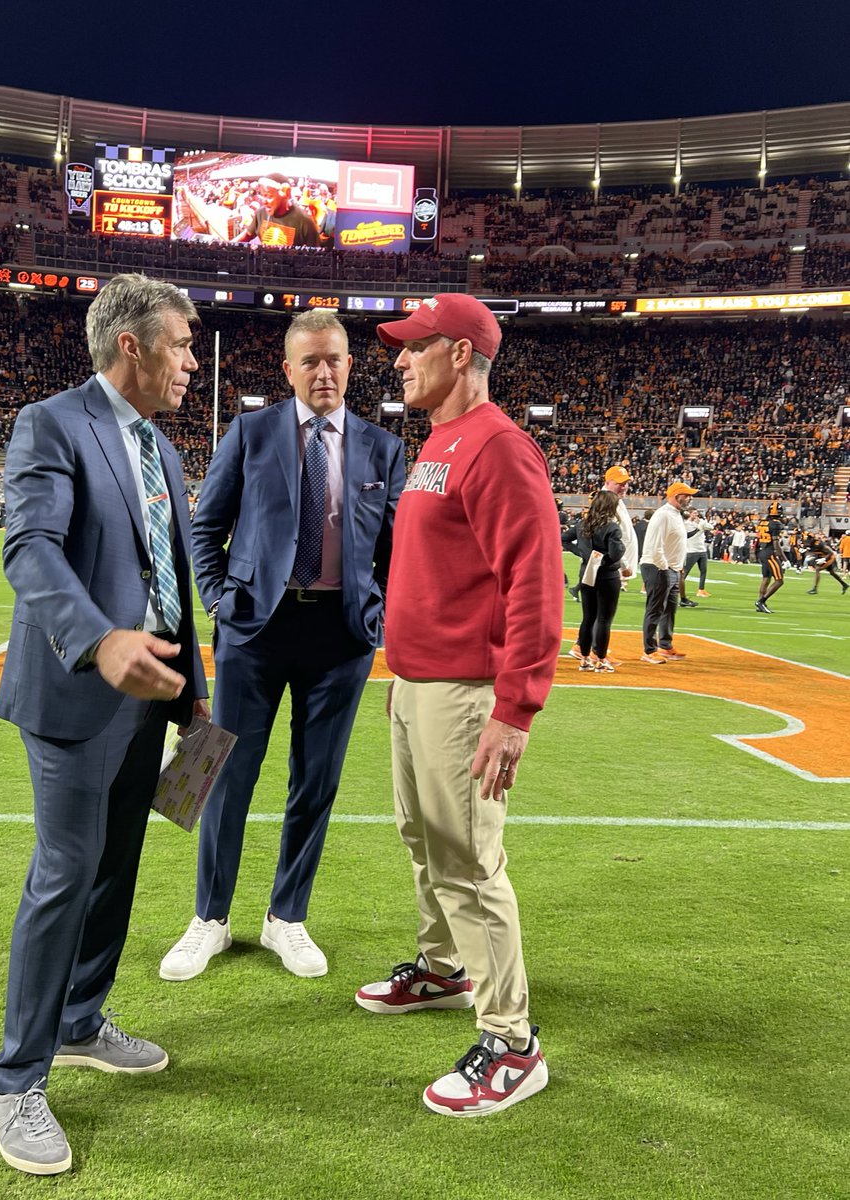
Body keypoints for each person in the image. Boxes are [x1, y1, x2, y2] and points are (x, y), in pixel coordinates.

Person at [0, 274, 209, 1177]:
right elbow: (28, 547)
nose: (194, 361)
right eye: (184, 344)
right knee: (65, 873)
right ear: (133, 345)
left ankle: (81, 1020)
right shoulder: (52, 422)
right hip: (79, 688)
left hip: (150, 694)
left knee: (117, 866)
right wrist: (98, 640)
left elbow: (171, 577)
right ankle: (15, 1083)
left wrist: (193, 689)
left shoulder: (160, 446)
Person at [355, 294, 562, 1119]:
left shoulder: (502, 447)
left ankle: (513, 1043)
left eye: (416, 347)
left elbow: (536, 584)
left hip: (467, 692)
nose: (400, 360)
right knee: (424, 838)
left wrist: (516, 709)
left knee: (471, 862)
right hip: (416, 682)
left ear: (463, 355)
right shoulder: (440, 440)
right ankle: (443, 968)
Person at [160, 309, 404, 982]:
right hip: (253, 631)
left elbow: (396, 554)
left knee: (315, 782)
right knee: (218, 772)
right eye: (311, 361)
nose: (324, 372)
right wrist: (217, 599)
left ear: (350, 365)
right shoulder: (250, 431)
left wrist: (378, 617)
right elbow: (204, 531)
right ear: (288, 369)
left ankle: (285, 917)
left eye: (335, 360)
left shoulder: (383, 448)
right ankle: (209, 918)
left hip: (341, 638)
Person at [570, 465, 636, 659]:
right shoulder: (606, 502)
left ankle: (588, 648)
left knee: (594, 614)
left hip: (605, 566)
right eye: (619, 483)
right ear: (608, 482)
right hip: (608, 568)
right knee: (601, 614)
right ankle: (595, 653)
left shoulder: (614, 500)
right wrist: (618, 562)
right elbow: (604, 539)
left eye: (626, 483)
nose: (623, 487)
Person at [639, 482, 697, 664]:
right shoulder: (663, 515)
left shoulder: (675, 514)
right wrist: (663, 567)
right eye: (686, 495)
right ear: (675, 495)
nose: (690, 498)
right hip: (658, 567)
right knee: (655, 609)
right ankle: (649, 650)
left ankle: (665, 645)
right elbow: (655, 545)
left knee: (669, 609)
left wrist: (676, 567)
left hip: (671, 568)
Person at [572, 488, 625, 673]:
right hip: (607, 576)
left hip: (586, 574)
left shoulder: (582, 524)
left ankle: (584, 659)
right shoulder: (612, 527)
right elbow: (616, 553)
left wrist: (581, 553)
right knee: (604, 619)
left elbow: (562, 538)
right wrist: (606, 560)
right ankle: (601, 660)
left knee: (588, 618)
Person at [232, 175, 320, 247]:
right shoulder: (261, 213)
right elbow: (247, 235)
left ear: (286, 193)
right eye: (262, 196)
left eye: (269, 196)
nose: (264, 201)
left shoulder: (305, 221)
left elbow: (316, 256)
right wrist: (225, 246)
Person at [754, 501, 784, 614]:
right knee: (779, 581)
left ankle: (760, 604)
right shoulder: (776, 524)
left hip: (762, 551)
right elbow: (776, 544)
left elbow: (758, 539)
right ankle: (761, 601)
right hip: (770, 553)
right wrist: (784, 559)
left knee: (766, 578)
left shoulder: (762, 522)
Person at [679, 506, 713, 604]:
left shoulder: (699, 522)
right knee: (685, 573)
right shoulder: (686, 524)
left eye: (696, 513)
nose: (696, 514)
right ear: (689, 513)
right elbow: (688, 535)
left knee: (703, 571)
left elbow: (711, 527)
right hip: (691, 551)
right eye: (694, 513)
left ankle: (701, 590)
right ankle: (678, 589)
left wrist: (702, 522)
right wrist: (699, 528)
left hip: (701, 550)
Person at [802, 530, 849, 595]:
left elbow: (830, 552)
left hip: (829, 556)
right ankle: (844, 584)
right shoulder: (809, 543)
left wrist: (824, 559)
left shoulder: (819, 544)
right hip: (821, 556)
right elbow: (808, 549)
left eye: (807, 539)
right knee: (832, 573)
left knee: (817, 568)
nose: (806, 541)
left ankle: (815, 588)